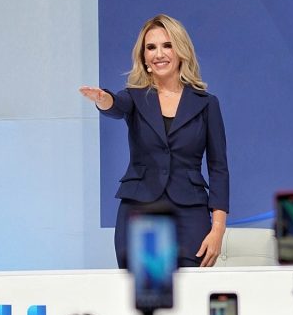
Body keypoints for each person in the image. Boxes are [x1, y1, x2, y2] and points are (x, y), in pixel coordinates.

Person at [80, 14, 229, 268]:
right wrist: (103, 99)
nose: (159, 54)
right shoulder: (134, 97)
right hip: (140, 210)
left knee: (190, 290)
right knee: (144, 291)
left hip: (190, 214)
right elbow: (115, 106)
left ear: (181, 51)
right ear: (144, 57)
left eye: (167, 45)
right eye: (151, 47)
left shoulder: (206, 103)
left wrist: (218, 229)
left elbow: (219, 169)